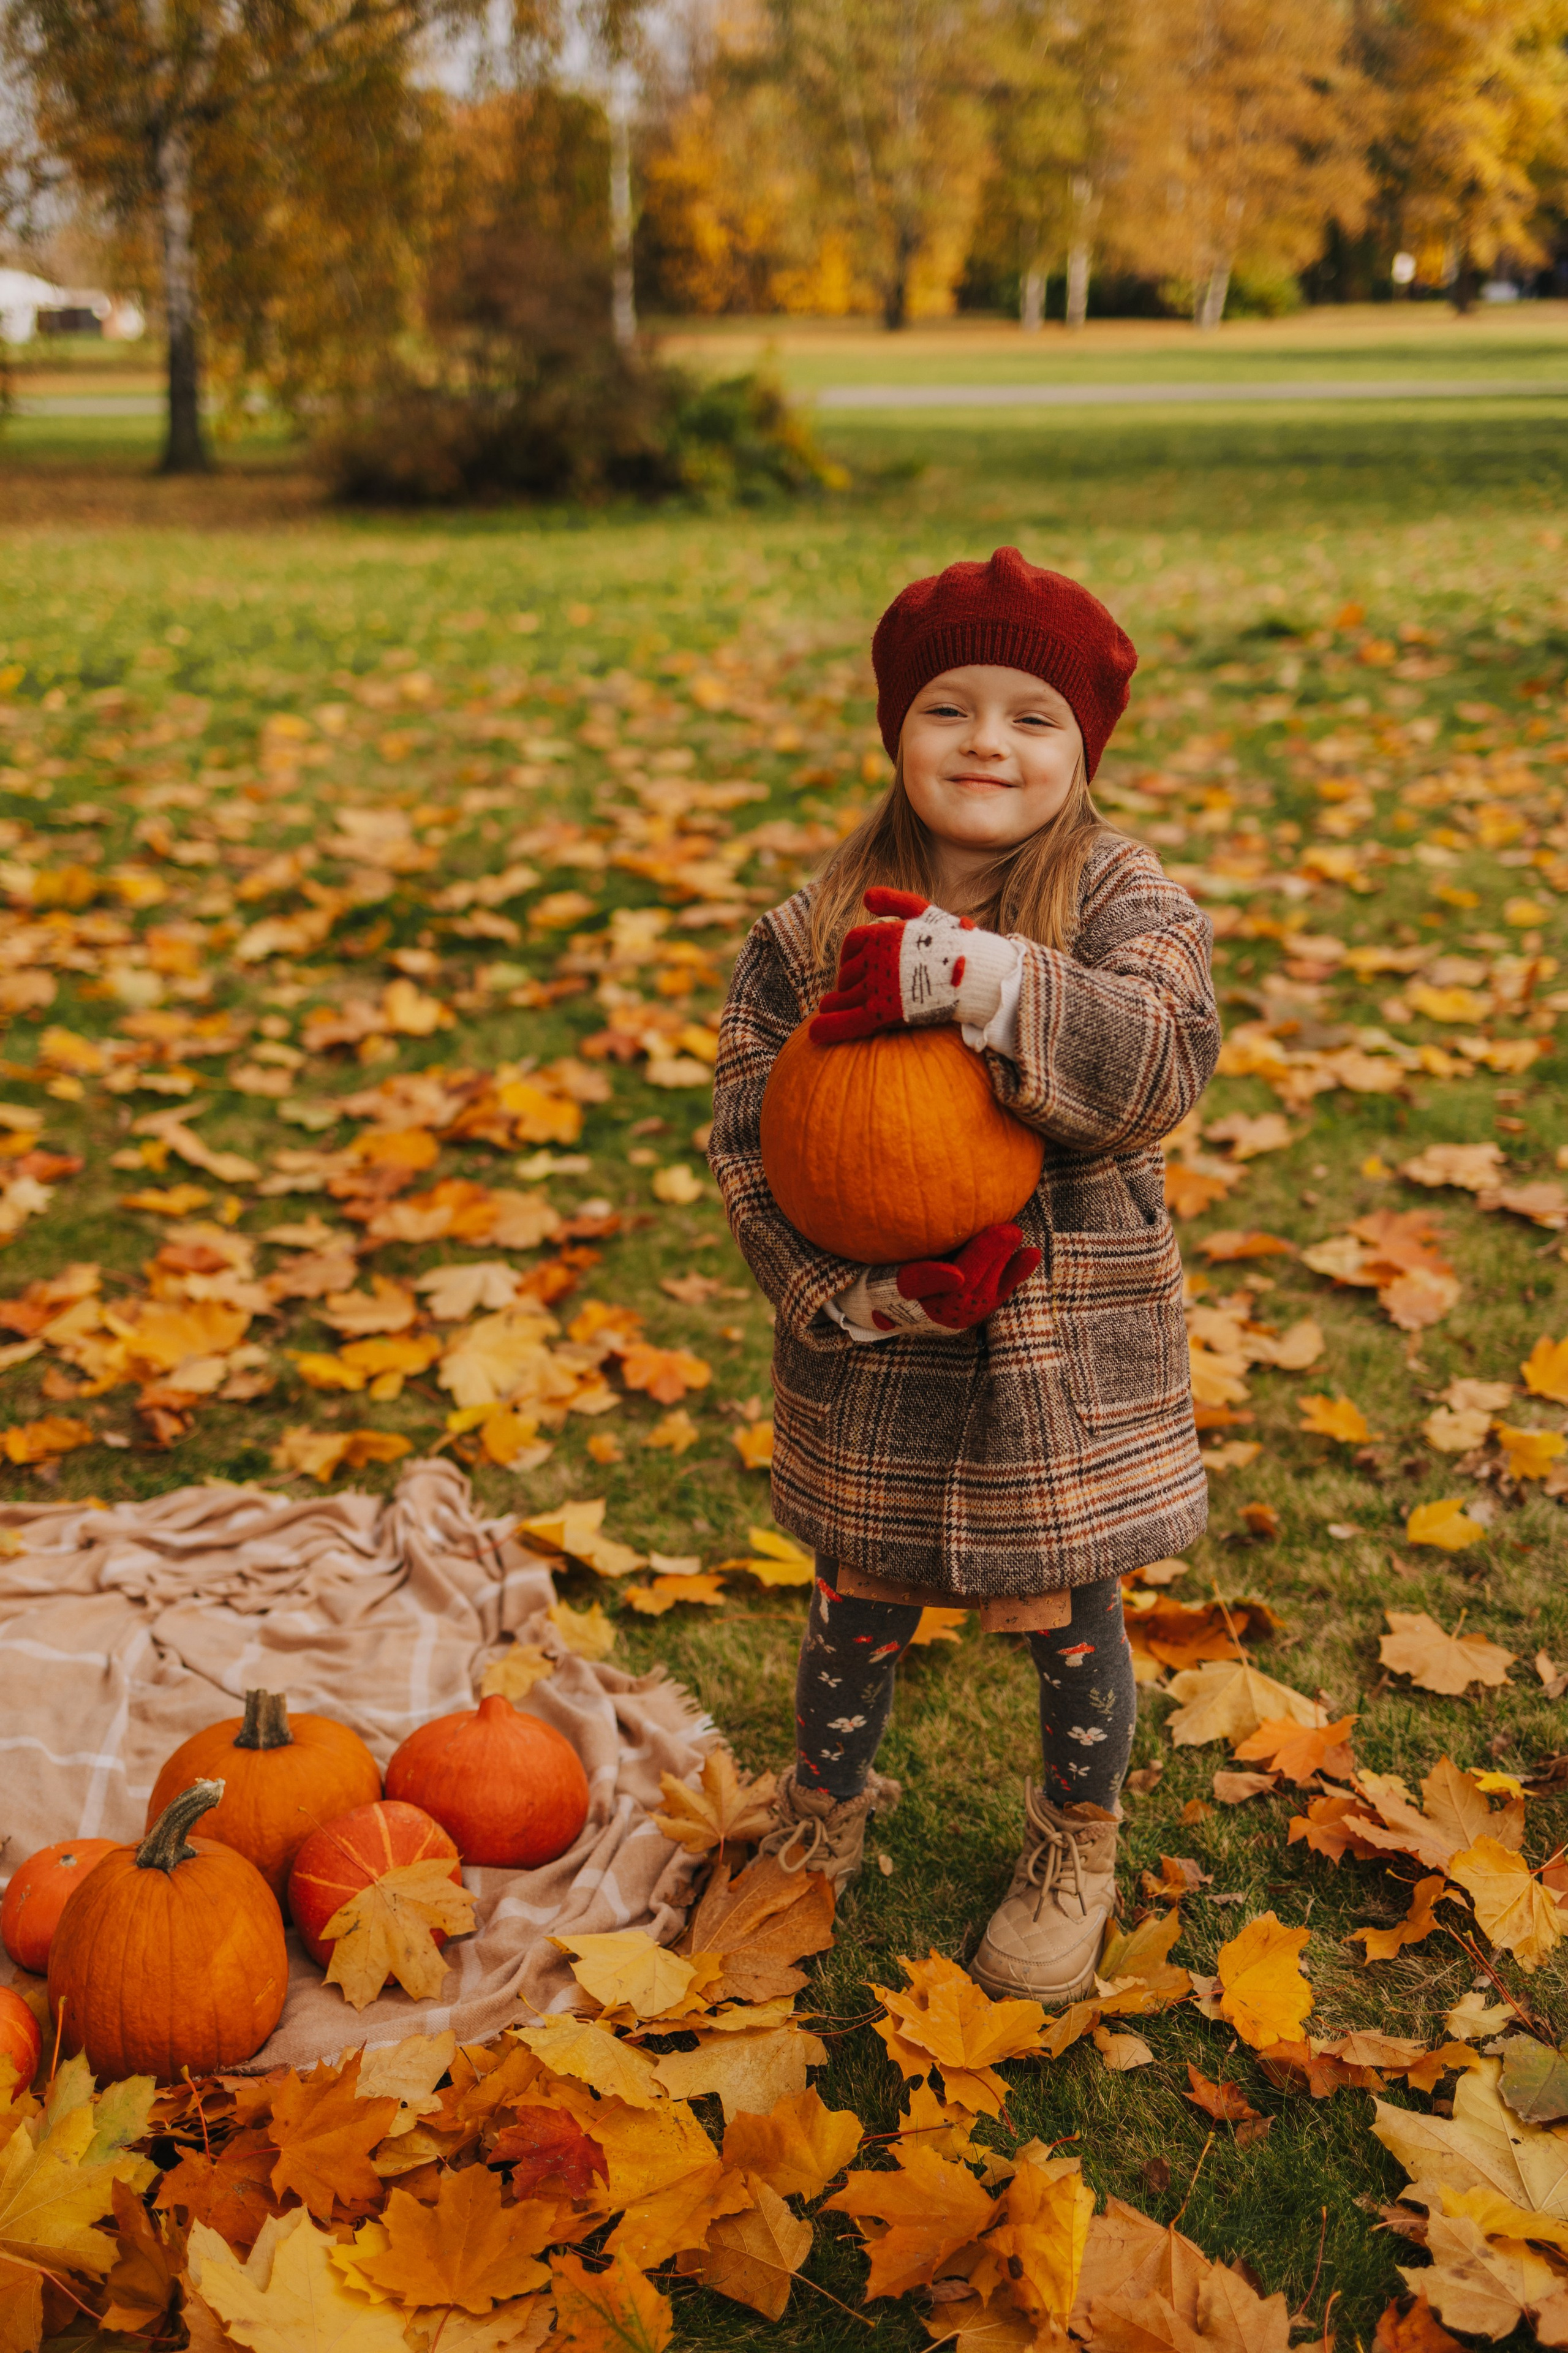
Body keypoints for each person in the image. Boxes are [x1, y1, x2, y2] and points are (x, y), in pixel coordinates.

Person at [707, 548, 1219, 2003]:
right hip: (885, 1348)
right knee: (853, 1593)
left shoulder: (1123, 900)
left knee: (1069, 1606)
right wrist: (851, 1297)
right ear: (896, 731)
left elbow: (1158, 1063)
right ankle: (820, 1811)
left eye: (1029, 716)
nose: (986, 742)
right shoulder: (808, 932)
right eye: (948, 707)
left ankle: (1075, 1833)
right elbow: (753, 1141)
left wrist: (976, 980)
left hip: (1059, 1351)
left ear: (1081, 747)